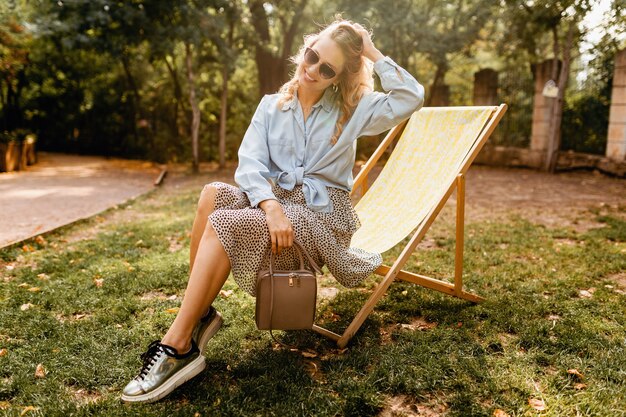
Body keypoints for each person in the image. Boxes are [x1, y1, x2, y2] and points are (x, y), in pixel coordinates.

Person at [121, 16, 424, 404]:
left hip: (321, 216)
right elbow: (249, 164)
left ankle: (179, 346)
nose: (312, 70)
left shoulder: (354, 108)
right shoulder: (270, 107)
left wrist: (369, 49)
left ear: (339, 75)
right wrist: (270, 206)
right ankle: (198, 315)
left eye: (326, 68)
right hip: (277, 205)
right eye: (311, 56)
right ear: (306, 49)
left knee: (223, 222)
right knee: (212, 195)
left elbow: (410, 96)